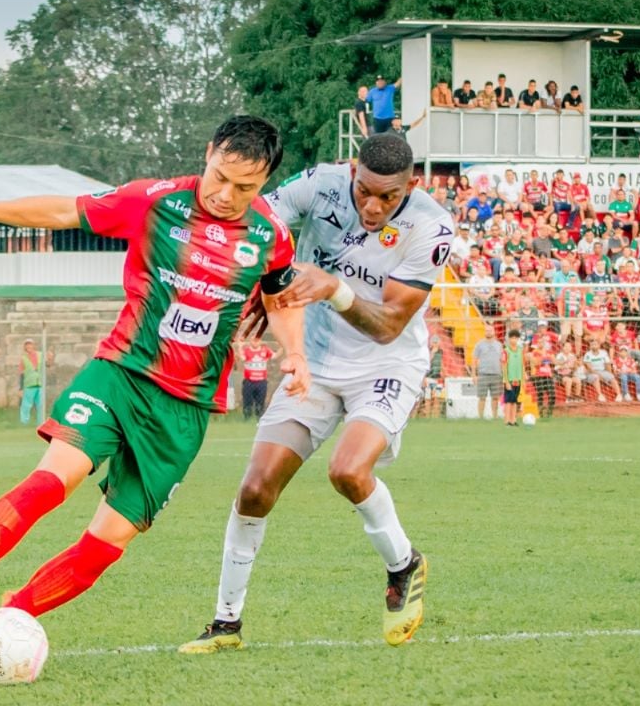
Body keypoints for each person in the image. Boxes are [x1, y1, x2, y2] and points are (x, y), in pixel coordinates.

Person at [0, 115, 310, 634]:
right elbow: (64, 209)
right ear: (208, 153)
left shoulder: (271, 234)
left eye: (245, 186)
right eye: (220, 176)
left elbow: (280, 294)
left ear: (265, 181)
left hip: (186, 410)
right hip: (120, 372)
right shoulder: (157, 201)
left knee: (107, 543)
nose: (225, 193)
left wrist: (296, 351)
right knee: (52, 479)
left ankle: (9, 621)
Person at [178, 133, 452, 653]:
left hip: (385, 365)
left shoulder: (431, 226)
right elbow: (257, 223)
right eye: (365, 190)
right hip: (317, 361)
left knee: (348, 471)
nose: (373, 206)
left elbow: (390, 324)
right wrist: (268, 285)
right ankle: (226, 624)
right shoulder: (320, 184)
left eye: (388, 197)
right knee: (256, 488)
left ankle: (404, 565)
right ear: (352, 170)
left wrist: (332, 287)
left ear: (410, 187)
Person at [18, 338, 54, 425]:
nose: (28, 346)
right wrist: (21, 388)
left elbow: (48, 365)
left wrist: (50, 358)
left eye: (30, 344)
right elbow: (21, 373)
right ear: (25, 347)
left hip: (39, 383)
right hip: (29, 384)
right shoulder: (23, 358)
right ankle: (24, 422)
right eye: (27, 345)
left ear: (33, 345)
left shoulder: (40, 355)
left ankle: (40, 422)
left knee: (41, 405)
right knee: (26, 405)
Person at [239, 335, 275, 420]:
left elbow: (275, 356)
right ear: (250, 341)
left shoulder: (265, 350)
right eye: (253, 340)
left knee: (261, 401)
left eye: (257, 340)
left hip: (261, 381)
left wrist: (283, 347)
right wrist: (240, 347)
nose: (255, 342)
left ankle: (260, 418)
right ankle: (247, 418)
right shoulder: (247, 351)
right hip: (249, 381)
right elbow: (242, 358)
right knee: (247, 401)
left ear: (260, 341)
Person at [472, 324, 504, 411]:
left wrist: (504, 375)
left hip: (497, 375)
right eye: (487, 330)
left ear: (494, 332)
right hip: (483, 374)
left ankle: (494, 418)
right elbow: (474, 360)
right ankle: (481, 419)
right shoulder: (479, 345)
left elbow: (502, 361)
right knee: (482, 398)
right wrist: (474, 375)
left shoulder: (499, 345)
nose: (488, 332)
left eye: (490, 330)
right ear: (484, 332)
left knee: (495, 398)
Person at [501, 331, 526, 425]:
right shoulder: (506, 351)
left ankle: (513, 420)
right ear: (509, 339)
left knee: (515, 401)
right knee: (508, 401)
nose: (514, 340)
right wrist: (506, 381)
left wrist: (523, 379)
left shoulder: (521, 350)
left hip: (518, 379)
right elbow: (504, 367)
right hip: (509, 380)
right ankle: (507, 420)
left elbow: (523, 365)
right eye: (512, 338)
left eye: (516, 338)